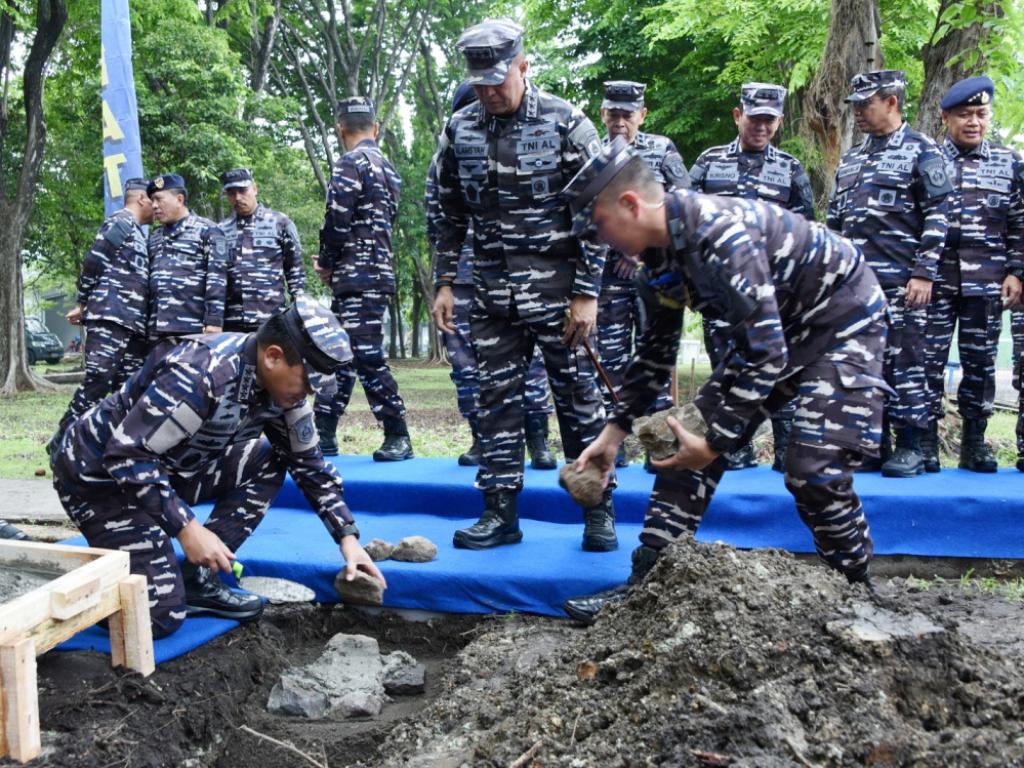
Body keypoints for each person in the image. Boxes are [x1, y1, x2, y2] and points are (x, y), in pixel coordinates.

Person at [560, 137, 887, 623]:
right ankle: (644, 583)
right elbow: (654, 354)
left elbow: (768, 353)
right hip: (774, 331)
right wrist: (612, 437)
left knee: (811, 468)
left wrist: (715, 445)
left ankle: (858, 589)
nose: (600, 242)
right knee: (680, 441)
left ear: (631, 204)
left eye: (601, 227)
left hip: (841, 319)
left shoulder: (717, 235)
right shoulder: (655, 262)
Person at [51, 296, 385, 639]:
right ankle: (72, 585)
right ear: (273, 357)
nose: (307, 394)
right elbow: (126, 456)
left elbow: (309, 463)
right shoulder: (201, 373)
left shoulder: (282, 391)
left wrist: (347, 539)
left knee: (268, 460)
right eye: (307, 382)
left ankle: (198, 579)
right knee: (156, 618)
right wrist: (188, 529)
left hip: (166, 470)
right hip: (98, 479)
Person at [430, 18, 615, 552]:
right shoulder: (459, 128)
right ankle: (500, 513)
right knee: (496, 403)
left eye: (498, 80)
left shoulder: (566, 122)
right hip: (491, 296)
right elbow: (448, 212)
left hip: (561, 298)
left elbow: (601, 212)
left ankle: (597, 511)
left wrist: (587, 293)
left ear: (524, 67)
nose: (489, 92)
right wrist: (445, 281)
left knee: (578, 402)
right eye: (480, 82)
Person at [827, 70, 952, 477]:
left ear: (892, 102)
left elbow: (939, 215)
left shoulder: (922, 150)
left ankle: (911, 445)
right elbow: (834, 222)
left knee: (908, 361)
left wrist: (924, 272)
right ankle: (872, 444)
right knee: (863, 365)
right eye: (856, 106)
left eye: (867, 104)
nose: (859, 113)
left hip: (903, 281)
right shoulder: (853, 157)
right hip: (856, 287)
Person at [425, 82, 556, 469]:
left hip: (516, 272)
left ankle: (538, 440)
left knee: (526, 362)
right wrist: (445, 278)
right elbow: (439, 218)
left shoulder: (524, 146)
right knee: (467, 364)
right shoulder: (446, 158)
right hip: (464, 276)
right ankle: (485, 440)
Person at [689, 82, 816, 471]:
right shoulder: (709, 163)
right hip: (720, 290)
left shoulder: (791, 168)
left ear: (777, 122)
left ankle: (785, 449)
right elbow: (687, 223)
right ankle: (733, 448)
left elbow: (805, 231)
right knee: (726, 370)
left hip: (772, 291)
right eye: (755, 118)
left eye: (770, 121)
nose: (761, 127)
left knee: (778, 366)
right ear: (737, 115)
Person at [923, 76, 1023, 472]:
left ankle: (974, 443)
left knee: (980, 364)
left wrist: (1016, 270)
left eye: (981, 114)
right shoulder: (927, 158)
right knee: (926, 363)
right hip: (935, 281)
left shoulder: (1009, 162)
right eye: (965, 114)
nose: (974, 122)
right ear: (946, 117)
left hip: (988, 282)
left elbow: (1018, 222)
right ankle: (925, 441)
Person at [313, 96, 412, 462]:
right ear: (376, 127)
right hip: (375, 272)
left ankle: (397, 433)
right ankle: (323, 430)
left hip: (358, 275)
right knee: (340, 354)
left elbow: (337, 218)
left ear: (341, 130)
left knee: (365, 355)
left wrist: (326, 263)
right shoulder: (388, 169)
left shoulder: (350, 163)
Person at [597, 80, 688, 467]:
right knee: (613, 363)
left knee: (658, 357)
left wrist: (642, 254)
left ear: (642, 115)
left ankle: (661, 446)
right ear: (603, 114)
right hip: (608, 283)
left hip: (656, 277)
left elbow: (683, 200)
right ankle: (613, 449)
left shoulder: (662, 151)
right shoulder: (593, 154)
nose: (619, 122)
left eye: (627, 115)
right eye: (613, 114)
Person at [52, 177, 153, 444]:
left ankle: (109, 447)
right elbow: (94, 261)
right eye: (152, 199)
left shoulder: (138, 232)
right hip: (110, 317)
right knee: (98, 380)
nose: (156, 206)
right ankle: (64, 440)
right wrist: (83, 303)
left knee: (126, 388)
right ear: (142, 199)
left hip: (130, 324)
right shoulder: (120, 222)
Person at [146, 173, 229, 347]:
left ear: (179, 199)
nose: (154, 206)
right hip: (156, 332)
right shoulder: (154, 237)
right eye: (152, 200)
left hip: (193, 329)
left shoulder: (208, 231)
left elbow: (217, 279)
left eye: (158, 199)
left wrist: (214, 321)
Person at [218, 168, 306, 333]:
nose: (237, 198)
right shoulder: (220, 230)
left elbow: (295, 272)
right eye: (231, 193)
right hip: (231, 322)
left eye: (242, 191)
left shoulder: (280, 223)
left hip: (271, 318)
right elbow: (216, 278)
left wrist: (299, 313)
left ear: (254, 189)